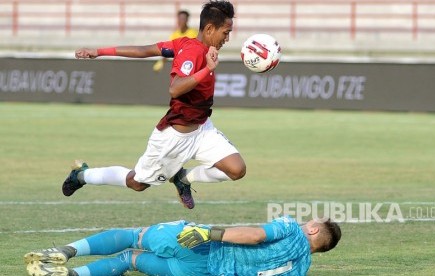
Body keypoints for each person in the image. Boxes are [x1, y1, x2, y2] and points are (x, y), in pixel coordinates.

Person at [65, 0, 246, 209]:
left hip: (202, 130)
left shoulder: (186, 45)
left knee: (236, 169)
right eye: (226, 32)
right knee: (137, 183)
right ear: (209, 28)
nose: (227, 38)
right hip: (174, 137)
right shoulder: (192, 52)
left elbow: (144, 50)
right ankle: (82, 175)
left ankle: (184, 179)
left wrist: (99, 51)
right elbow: (175, 88)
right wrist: (207, 69)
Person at [24, 216, 342, 275]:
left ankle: (63, 252)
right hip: (201, 273)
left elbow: (257, 235)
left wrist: (210, 233)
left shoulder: (291, 228)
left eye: (309, 220)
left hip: (203, 244)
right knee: (130, 260)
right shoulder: (300, 271)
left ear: (313, 229)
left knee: (134, 236)